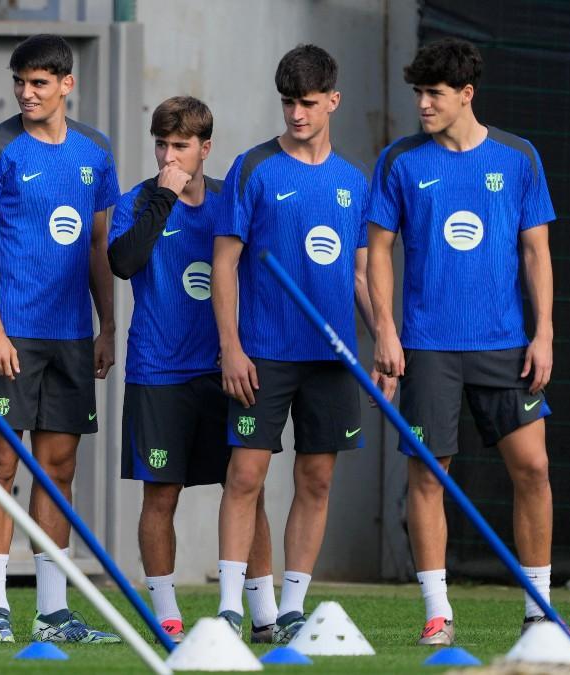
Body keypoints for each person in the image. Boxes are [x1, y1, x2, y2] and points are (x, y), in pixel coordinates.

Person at [366, 37, 555, 646]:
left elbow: (536, 252)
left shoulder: (518, 157)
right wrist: (387, 332)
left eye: (434, 94)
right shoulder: (400, 161)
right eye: (418, 92)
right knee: (428, 474)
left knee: (533, 467)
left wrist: (543, 333)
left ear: (466, 94)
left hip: (505, 344)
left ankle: (539, 610)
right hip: (429, 348)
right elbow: (377, 252)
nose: (422, 104)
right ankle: (437, 613)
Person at [211, 44, 393, 643]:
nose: (296, 114)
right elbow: (224, 266)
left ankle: (292, 608)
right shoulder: (253, 167)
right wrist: (232, 347)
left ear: (332, 101)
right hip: (263, 353)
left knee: (316, 481)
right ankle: (233, 609)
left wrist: (384, 338)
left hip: (333, 357)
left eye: (308, 103)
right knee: (246, 475)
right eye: (288, 102)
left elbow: (363, 275)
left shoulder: (353, 181)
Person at [0, 33, 121, 643]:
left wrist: (107, 326)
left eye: (40, 83)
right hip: (12, 334)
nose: (27, 93)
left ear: (65, 85)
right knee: (0, 463)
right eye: (20, 83)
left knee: (58, 468)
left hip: (73, 335)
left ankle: (53, 612)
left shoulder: (96, 151)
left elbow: (99, 245)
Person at [108, 95, 275, 643]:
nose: (169, 156)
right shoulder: (139, 199)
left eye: (181, 146)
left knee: (247, 486)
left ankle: (266, 613)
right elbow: (122, 262)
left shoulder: (232, 199)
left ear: (205, 148)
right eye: (161, 144)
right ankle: (166, 612)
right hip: (158, 371)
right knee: (161, 494)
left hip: (229, 368)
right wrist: (163, 197)